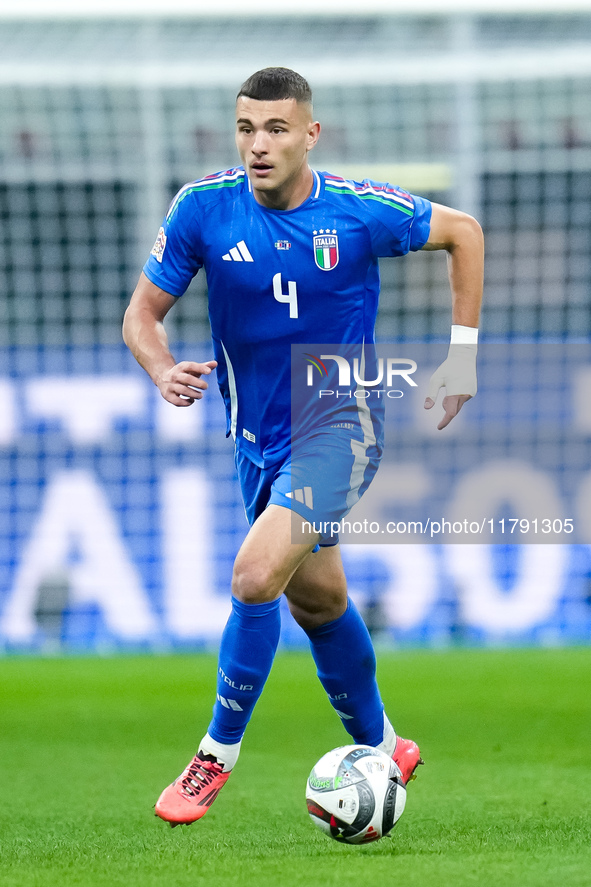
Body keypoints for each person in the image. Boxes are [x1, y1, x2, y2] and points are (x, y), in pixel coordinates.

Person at [123, 67, 483, 826]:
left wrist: (462, 356)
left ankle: (214, 756)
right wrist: (159, 368)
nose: (259, 145)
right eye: (247, 128)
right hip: (254, 438)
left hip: (338, 424)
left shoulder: (355, 212)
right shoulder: (202, 208)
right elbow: (142, 317)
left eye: (277, 129)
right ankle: (386, 743)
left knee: (254, 576)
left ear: (308, 134)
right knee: (317, 599)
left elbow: (463, 233)